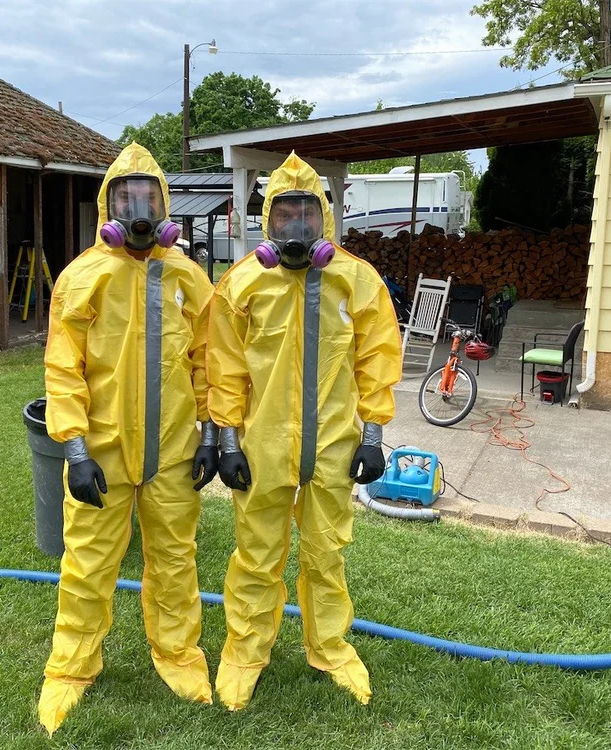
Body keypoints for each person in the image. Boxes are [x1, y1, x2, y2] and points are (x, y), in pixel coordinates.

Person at [207, 152, 403, 711]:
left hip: (335, 446)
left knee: (326, 555)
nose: (296, 226)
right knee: (256, 557)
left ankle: (332, 648)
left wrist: (372, 436)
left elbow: (378, 361)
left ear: (326, 219)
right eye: (285, 214)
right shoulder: (242, 285)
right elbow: (225, 369)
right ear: (267, 221)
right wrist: (226, 440)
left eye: (307, 214)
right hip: (261, 448)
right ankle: (245, 656)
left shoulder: (358, 281)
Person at [38, 142, 218, 735]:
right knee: (88, 564)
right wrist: (75, 450)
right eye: (126, 198)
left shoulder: (190, 279)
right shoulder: (83, 278)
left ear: (164, 205)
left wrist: (214, 436)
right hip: (102, 455)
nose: (138, 210)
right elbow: (64, 370)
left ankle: (179, 656)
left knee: (174, 561)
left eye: (148, 198)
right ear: (107, 207)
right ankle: (71, 670)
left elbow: (208, 362)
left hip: (172, 452)